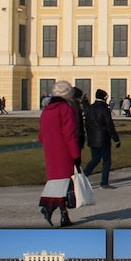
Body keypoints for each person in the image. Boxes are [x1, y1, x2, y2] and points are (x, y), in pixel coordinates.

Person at [38, 80, 82, 227]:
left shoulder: (46, 110)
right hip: (64, 152)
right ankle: (49, 208)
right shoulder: (65, 109)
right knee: (64, 184)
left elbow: (41, 136)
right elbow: (69, 134)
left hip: (50, 152)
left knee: (57, 184)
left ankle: (63, 215)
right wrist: (75, 155)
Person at [82, 89, 121, 188]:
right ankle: (104, 183)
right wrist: (116, 139)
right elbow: (109, 125)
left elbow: (86, 124)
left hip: (92, 138)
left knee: (95, 160)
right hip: (103, 138)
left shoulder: (90, 108)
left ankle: (82, 177)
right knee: (106, 161)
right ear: (105, 98)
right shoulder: (105, 109)